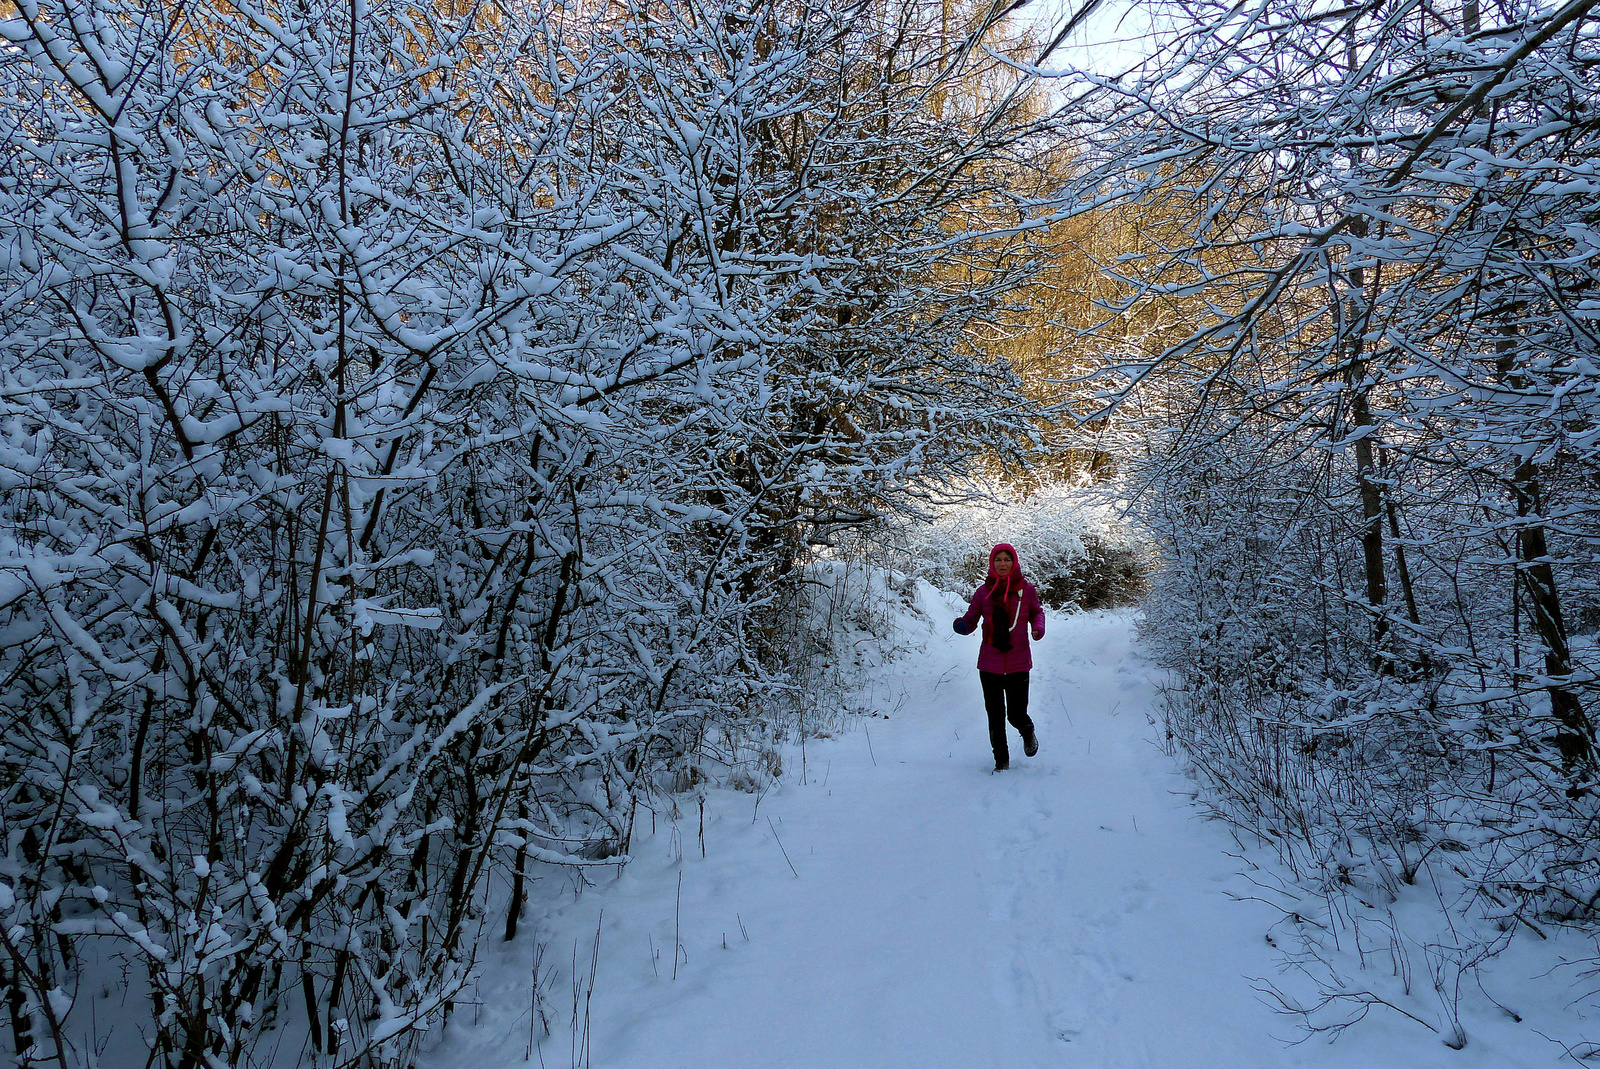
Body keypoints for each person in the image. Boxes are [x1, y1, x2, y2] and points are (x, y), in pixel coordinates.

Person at [952, 543, 1044, 771]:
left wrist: (1037, 628)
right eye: (998, 560)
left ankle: (1027, 730)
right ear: (992, 564)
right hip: (989, 665)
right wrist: (963, 625)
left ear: (1014, 562)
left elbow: (1037, 612)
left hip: (1018, 663)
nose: (1003, 564)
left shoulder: (1026, 590)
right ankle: (1001, 761)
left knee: (1016, 714)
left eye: (1007, 559)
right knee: (995, 716)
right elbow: (972, 617)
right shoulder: (984, 592)